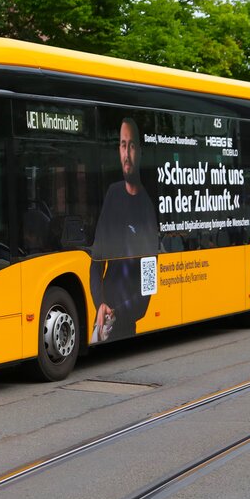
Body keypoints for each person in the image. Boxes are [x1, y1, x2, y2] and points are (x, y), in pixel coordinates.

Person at [89, 117, 159, 343]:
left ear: (139, 151)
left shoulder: (147, 209)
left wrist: (117, 311)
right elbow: (96, 260)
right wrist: (100, 303)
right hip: (102, 320)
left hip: (125, 323)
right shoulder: (112, 194)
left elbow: (148, 283)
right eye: (122, 144)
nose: (126, 154)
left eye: (131, 145)